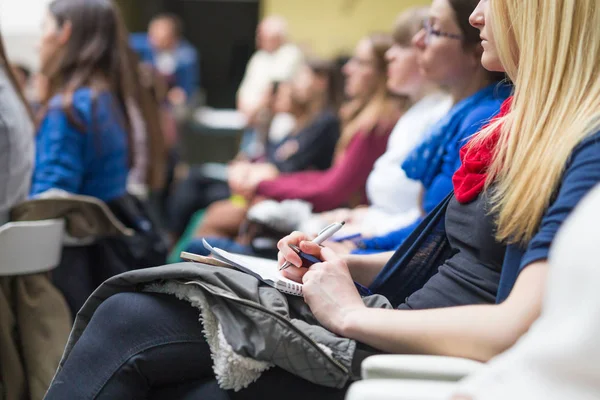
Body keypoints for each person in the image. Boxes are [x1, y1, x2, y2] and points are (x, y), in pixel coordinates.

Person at [42, 0, 600, 399]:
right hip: (394, 322)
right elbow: (461, 254)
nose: (478, 13)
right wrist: (345, 262)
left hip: (403, 346)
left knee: (132, 321)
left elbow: (516, 326)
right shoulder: (525, 125)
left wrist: (351, 312)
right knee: (134, 311)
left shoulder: (581, 143)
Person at [193, 33, 402, 244]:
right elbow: (322, 176)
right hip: (319, 207)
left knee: (213, 219)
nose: (347, 69)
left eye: (361, 62)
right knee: (212, 208)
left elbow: (329, 187)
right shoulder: (351, 119)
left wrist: (263, 184)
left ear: (384, 71)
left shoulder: (368, 124)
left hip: (335, 219)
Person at [167, 59, 343, 242]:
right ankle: (172, 245)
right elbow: (278, 159)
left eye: (302, 76)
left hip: (284, 199)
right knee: (198, 188)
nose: (295, 82)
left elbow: (288, 167)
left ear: (321, 81)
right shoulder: (307, 121)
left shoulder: (326, 122)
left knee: (209, 209)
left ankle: (172, 246)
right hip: (267, 189)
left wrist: (255, 181)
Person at [30, 0, 133, 203]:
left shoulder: (69, 109)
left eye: (44, 28)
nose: (38, 43)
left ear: (65, 32)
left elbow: (47, 205)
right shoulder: (105, 99)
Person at [237, 16, 304, 124]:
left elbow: (274, 90)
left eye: (263, 36)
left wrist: (253, 111)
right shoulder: (258, 58)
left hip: (277, 122)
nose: (258, 39)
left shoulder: (290, 54)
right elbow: (243, 93)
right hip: (252, 121)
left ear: (279, 37)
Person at [130, 13, 199, 105]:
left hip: (168, 104)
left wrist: (179, 94)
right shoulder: (140, 45)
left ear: (174, 38)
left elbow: (187, 88)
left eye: (161, 38)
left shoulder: (186, 57)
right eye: (152, 35)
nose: (154, 41)